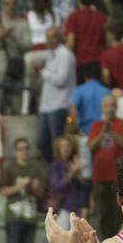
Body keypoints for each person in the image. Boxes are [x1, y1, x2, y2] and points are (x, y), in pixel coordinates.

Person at [0, 138, 47, 243]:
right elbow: (2, 191)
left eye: (26, 148)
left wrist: (35, 186)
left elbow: (40, 193)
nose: (24, 151)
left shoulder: (35, 168)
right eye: (20, 149)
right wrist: (19, 187)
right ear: (15, 152)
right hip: (13, 215)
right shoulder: (10, 168)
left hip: (30, 215)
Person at [87, 93, 123, 240]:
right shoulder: (96, 125)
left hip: (117, 177)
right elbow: (91, 146)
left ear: (116, 107)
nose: (110, 108)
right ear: (102, 108)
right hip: (100, 176)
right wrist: (102, 132)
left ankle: (119, 241)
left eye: (112, 105)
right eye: (106, 105)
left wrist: (111, 131)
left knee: (118, 213)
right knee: (103, 213)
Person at [39, 27, 76, 159]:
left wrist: (43, 72)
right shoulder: (51, 54)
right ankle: (54, 170)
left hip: (60, 105)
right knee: (43, 143)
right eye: (47, 37)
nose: (49, 40)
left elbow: (61, 80)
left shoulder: (65, 54)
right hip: (47, 106)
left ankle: (62, 171)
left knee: (58, 144)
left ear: (60, 38)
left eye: (53, 37)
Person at [64, 0, 107, 82]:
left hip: (81, 61)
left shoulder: (74, 17)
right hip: (99, 61)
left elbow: (71, 43)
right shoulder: (102, 17)